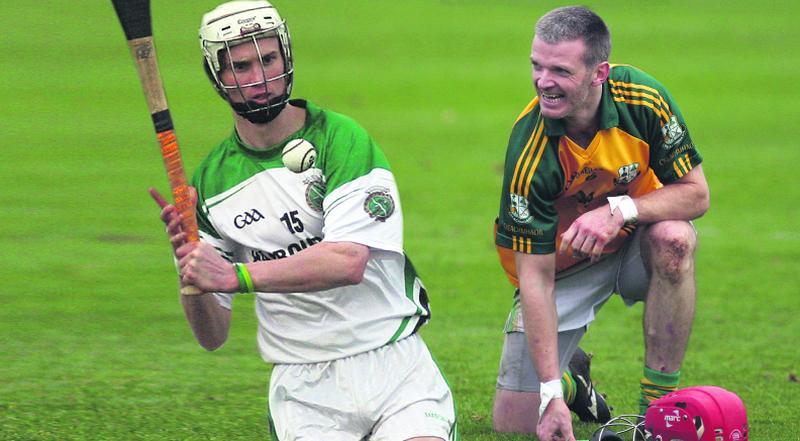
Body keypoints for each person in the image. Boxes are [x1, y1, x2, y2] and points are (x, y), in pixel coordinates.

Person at [150, 1, 457, 440]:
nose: (259, 79)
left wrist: (237, 275)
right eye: (240, 66)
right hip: (305, 388)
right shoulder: (212, 184)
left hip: (394, 364)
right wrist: (189, 267)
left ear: (287, 56)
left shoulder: (342, 139)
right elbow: (212, 335)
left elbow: (347, 262)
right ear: (216, 76)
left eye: (268, 59)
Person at [492, 5, 710, 441]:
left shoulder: (642, 99)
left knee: (675, 238)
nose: (543, 82)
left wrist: (621, 211)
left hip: (633, 244)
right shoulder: (530, 148)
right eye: (537, 66)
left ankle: (659, 411)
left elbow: (696, 194)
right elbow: (535, 278)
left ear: (599, 72)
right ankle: (573, 383)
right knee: (514, 423)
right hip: (561, 265)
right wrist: (552, 393)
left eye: (560, 70)